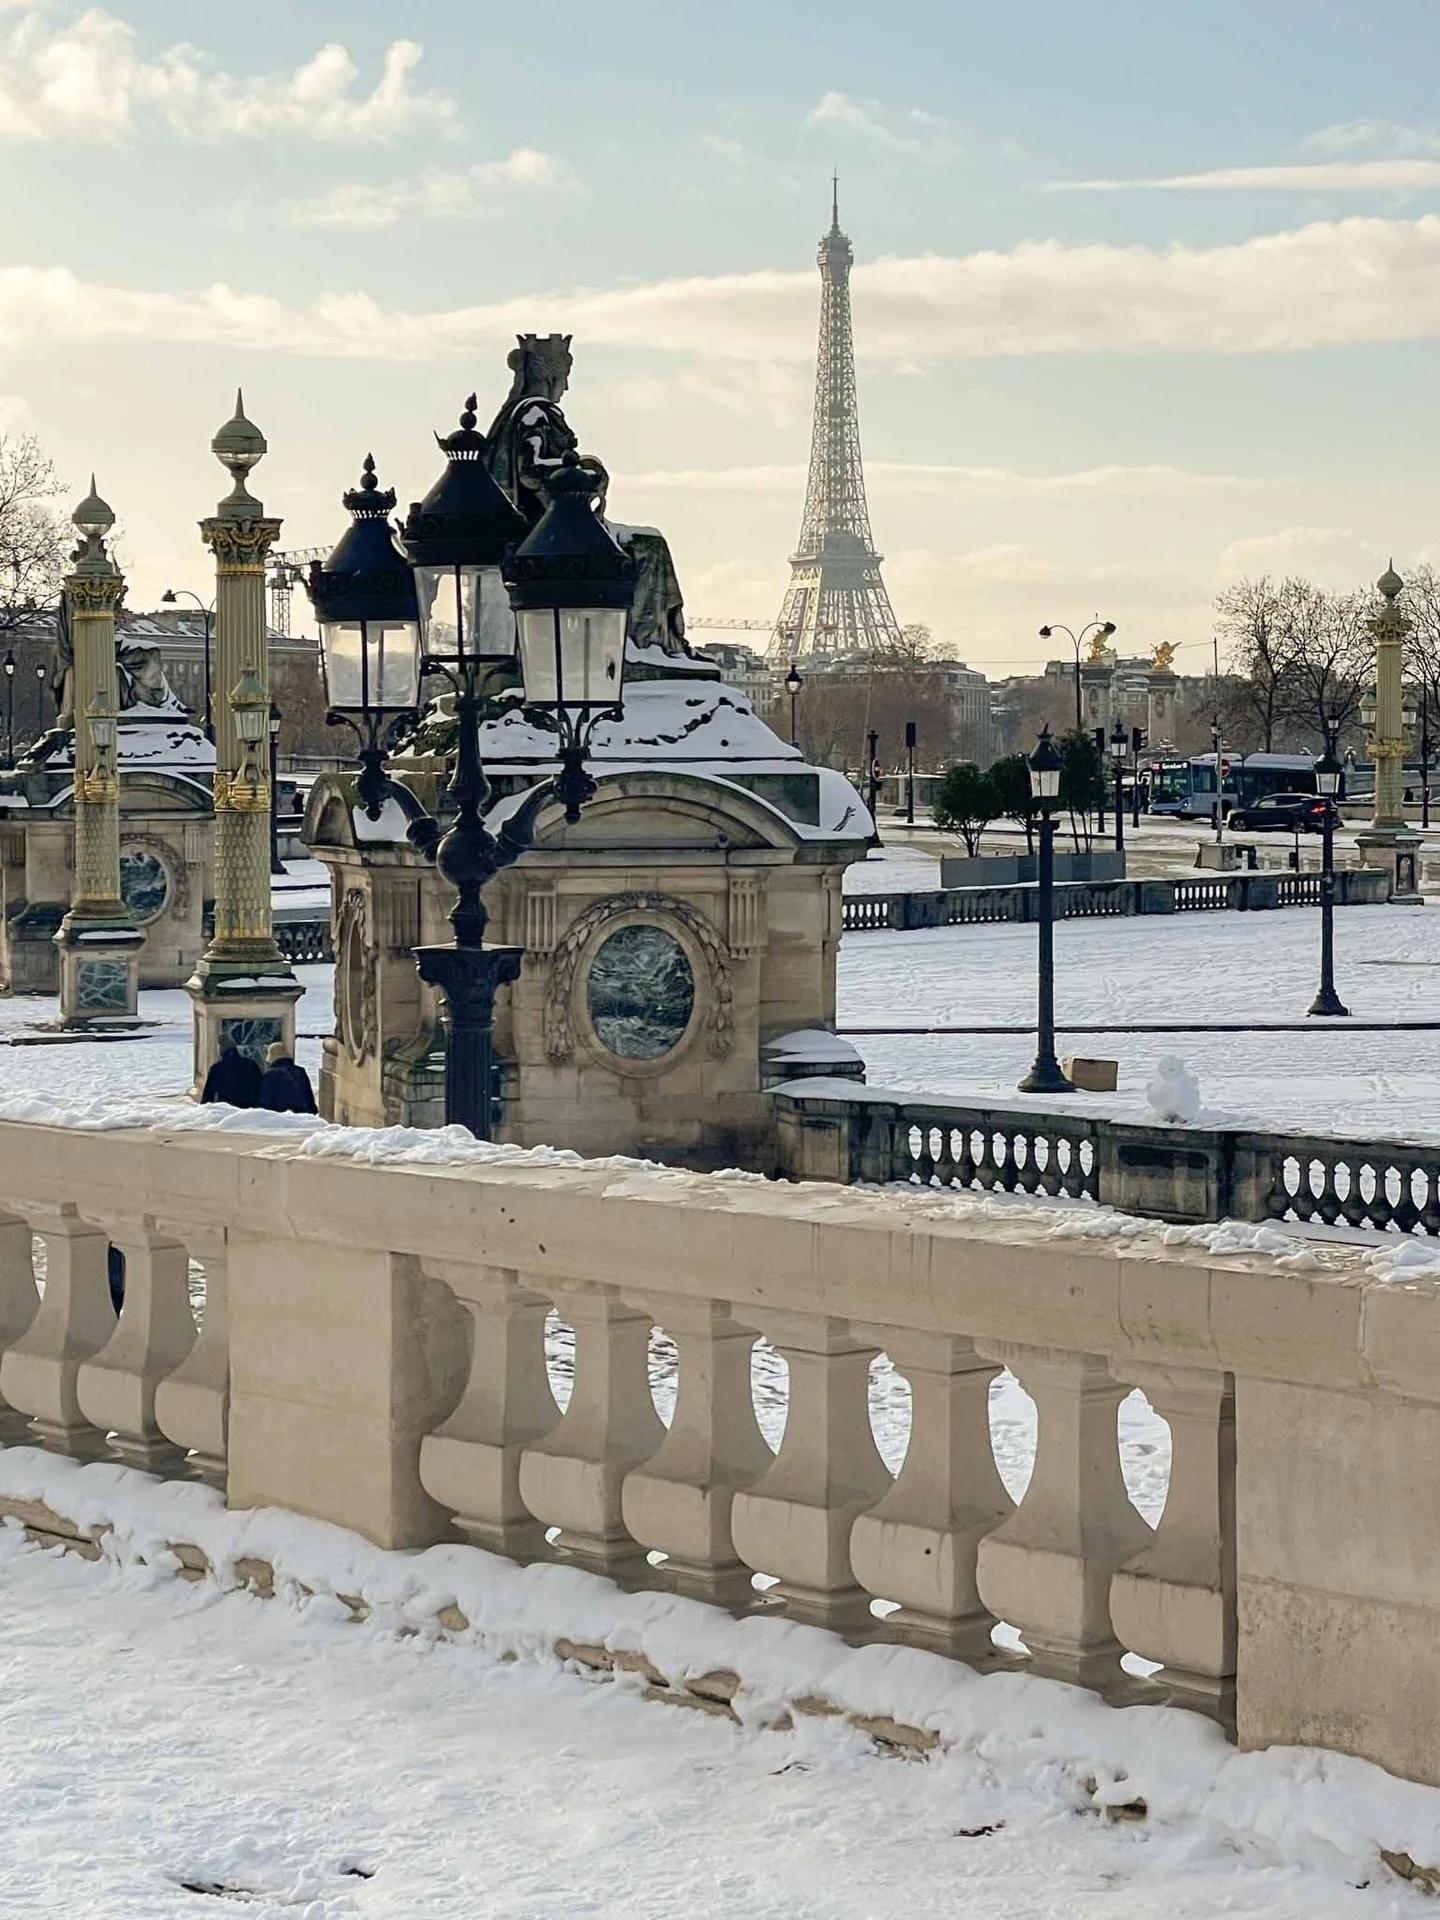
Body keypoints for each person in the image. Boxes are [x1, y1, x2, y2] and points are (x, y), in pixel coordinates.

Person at [258, 1042, 317, 1115]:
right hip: (303, 1114)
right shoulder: (300, 1071)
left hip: (282, 1117)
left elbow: (265, 1100)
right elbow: (309, 1097)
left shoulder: (271, 1074)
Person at [201, 1042, 262, 1108]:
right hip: (250, 1109)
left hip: (227, 1109)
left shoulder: (217, 1068)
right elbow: (261, 1086)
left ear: (220, 1051)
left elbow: (208, 1095)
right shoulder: (252, 1065)